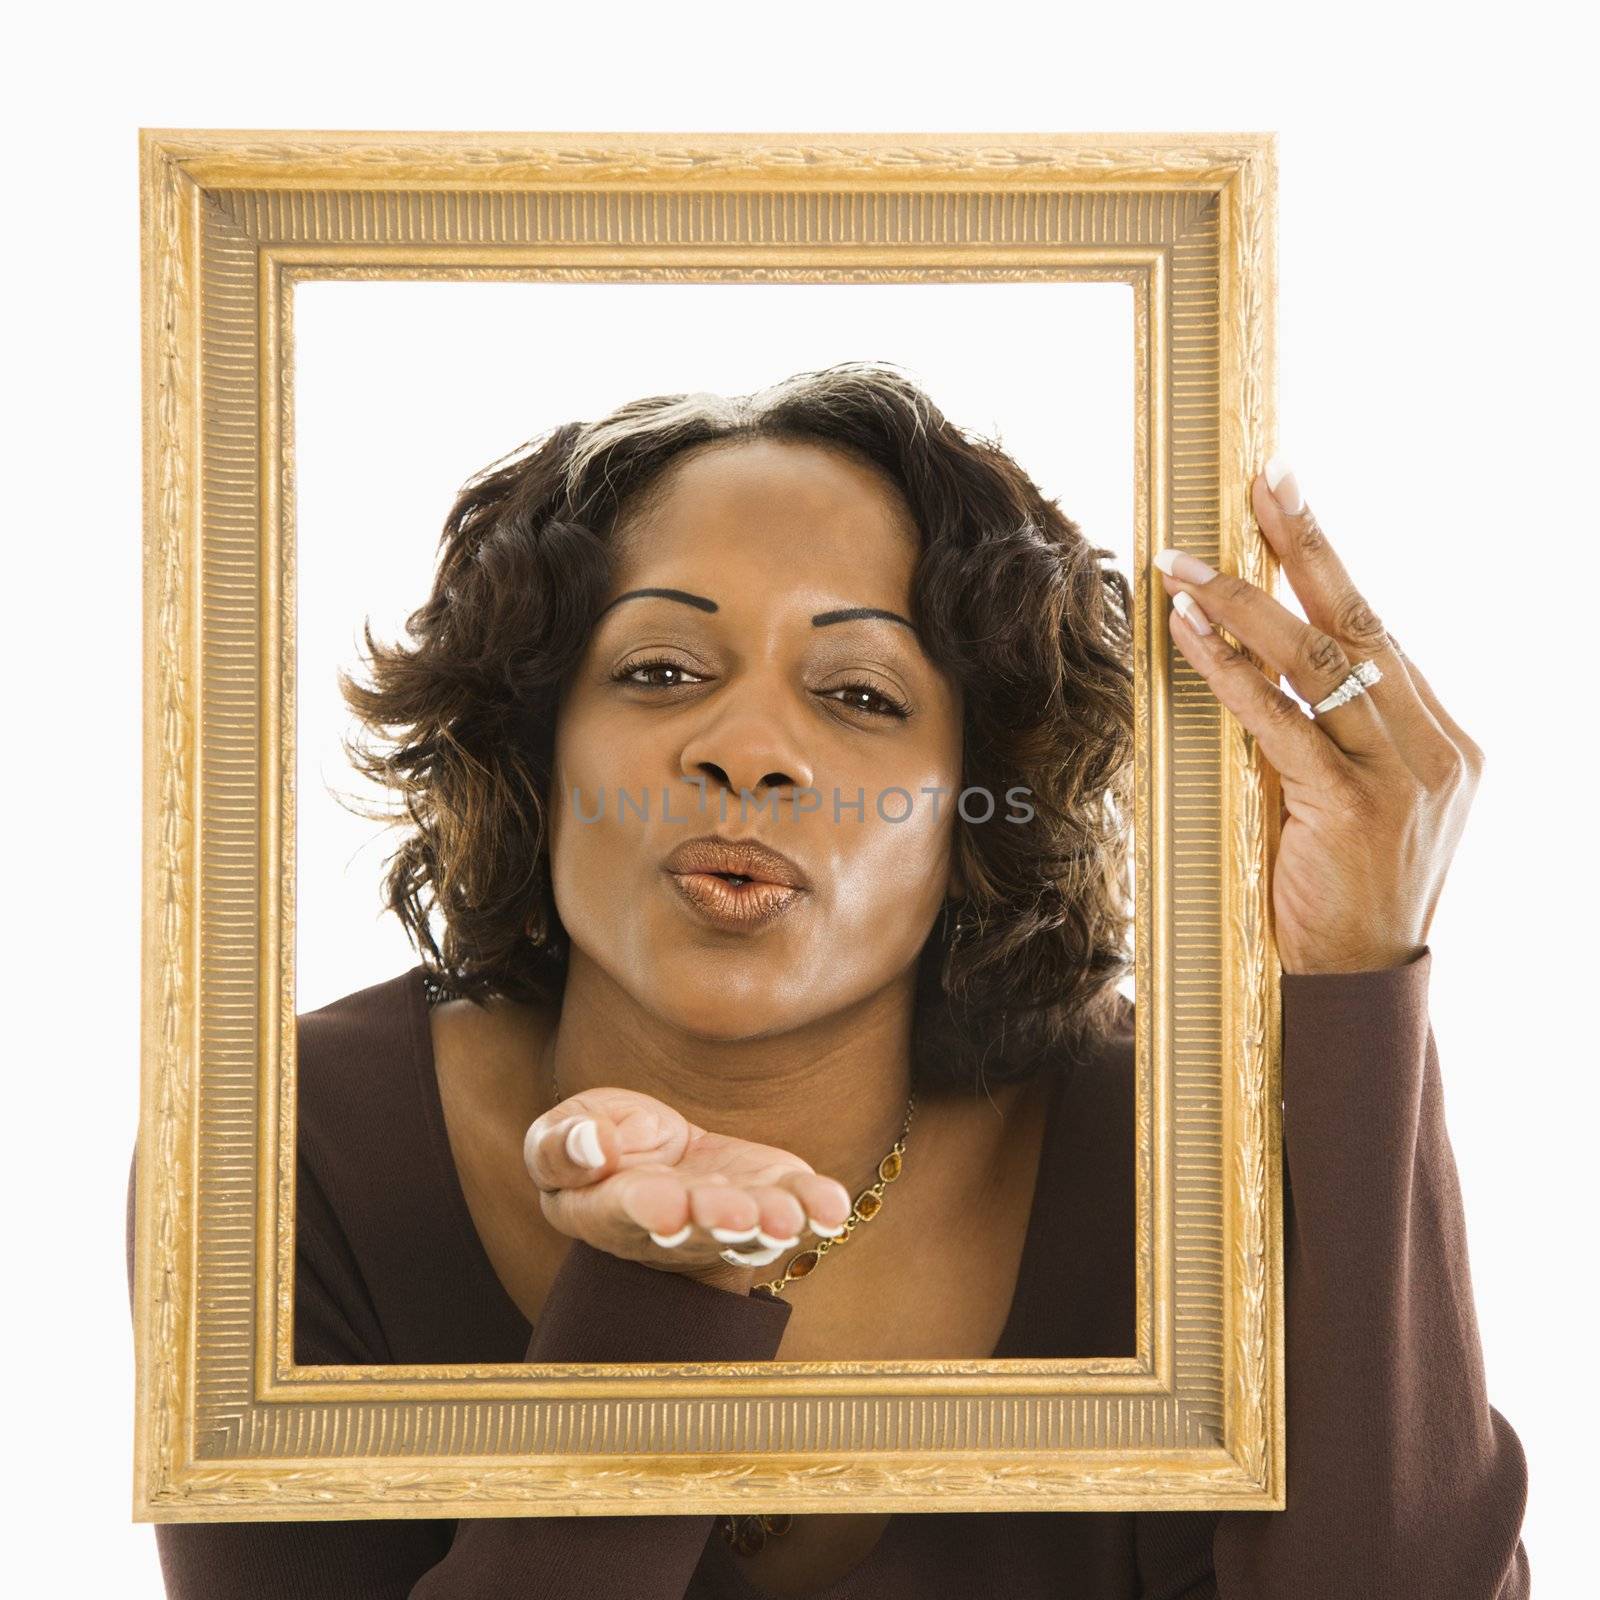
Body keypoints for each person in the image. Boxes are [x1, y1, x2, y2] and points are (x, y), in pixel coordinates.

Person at [126, 362, 1531, 1597]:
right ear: (536, 750)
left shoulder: (1170, 1147)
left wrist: (1357, 985)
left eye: (860, 695)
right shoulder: (269, 1150)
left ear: (978, 801)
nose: (750, 749)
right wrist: (654, 1306)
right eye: (663, 667)